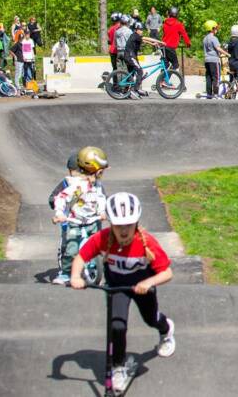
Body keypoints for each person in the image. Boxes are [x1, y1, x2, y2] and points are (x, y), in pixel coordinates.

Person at [70, 192, 177, 394]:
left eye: (129, 224)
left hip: (142, 287)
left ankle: (166, 330)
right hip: (117, 288)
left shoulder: (147, 242)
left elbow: (167, 272)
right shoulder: (102, 239)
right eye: (119, 225)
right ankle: (118, 367)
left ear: (136, 223)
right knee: (117, 326)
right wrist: (76, 276)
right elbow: (80, 258)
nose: (124, 230)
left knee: (151, 319)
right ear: (111, 224)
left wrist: (148, 281)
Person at [50, 146, 108, 286]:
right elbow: (61, 198)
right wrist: (59, 213)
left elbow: (101, 198)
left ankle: (97, 270)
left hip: (93, 221)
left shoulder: (98, 186)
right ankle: (66, 273)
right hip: (75, 221)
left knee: (100, 246)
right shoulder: (78, 187)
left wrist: (102, 211)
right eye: (100, 172)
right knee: (71, 249)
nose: (101, 175)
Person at [124, 22, 164, 98]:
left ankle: (126, 92)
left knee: (131, 74)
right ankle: (135, 90)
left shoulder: (136, 36)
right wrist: (160, 42)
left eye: (142, 29)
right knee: (140, 71)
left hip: (131, 56)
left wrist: (152, 44)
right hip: (130, 56)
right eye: (141, 29)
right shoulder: (135, 35)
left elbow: (144, 40)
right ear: (137, 30)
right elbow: (145, 38)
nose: (142, 31)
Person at [202, 20, 229, 99]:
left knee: (208, 77)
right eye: (216, 28)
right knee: (216, 77)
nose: (217, 30)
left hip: (207, 60)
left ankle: (209, 94)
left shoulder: (205, 39)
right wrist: (227, 54)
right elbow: (218, 48)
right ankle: (216, 94)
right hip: (214, 61)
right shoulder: (214, 38)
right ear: (212, 28)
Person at [161, 7, 191, 73]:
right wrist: (188, 44)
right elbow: (184, 34)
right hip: (170, 48)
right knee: (175, 65)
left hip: (163, 46)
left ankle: (161, 80)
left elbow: (164, 34)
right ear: (177, 14)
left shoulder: (165, 23)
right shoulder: (178, 24)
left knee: (165, 65)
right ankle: (166, 80)